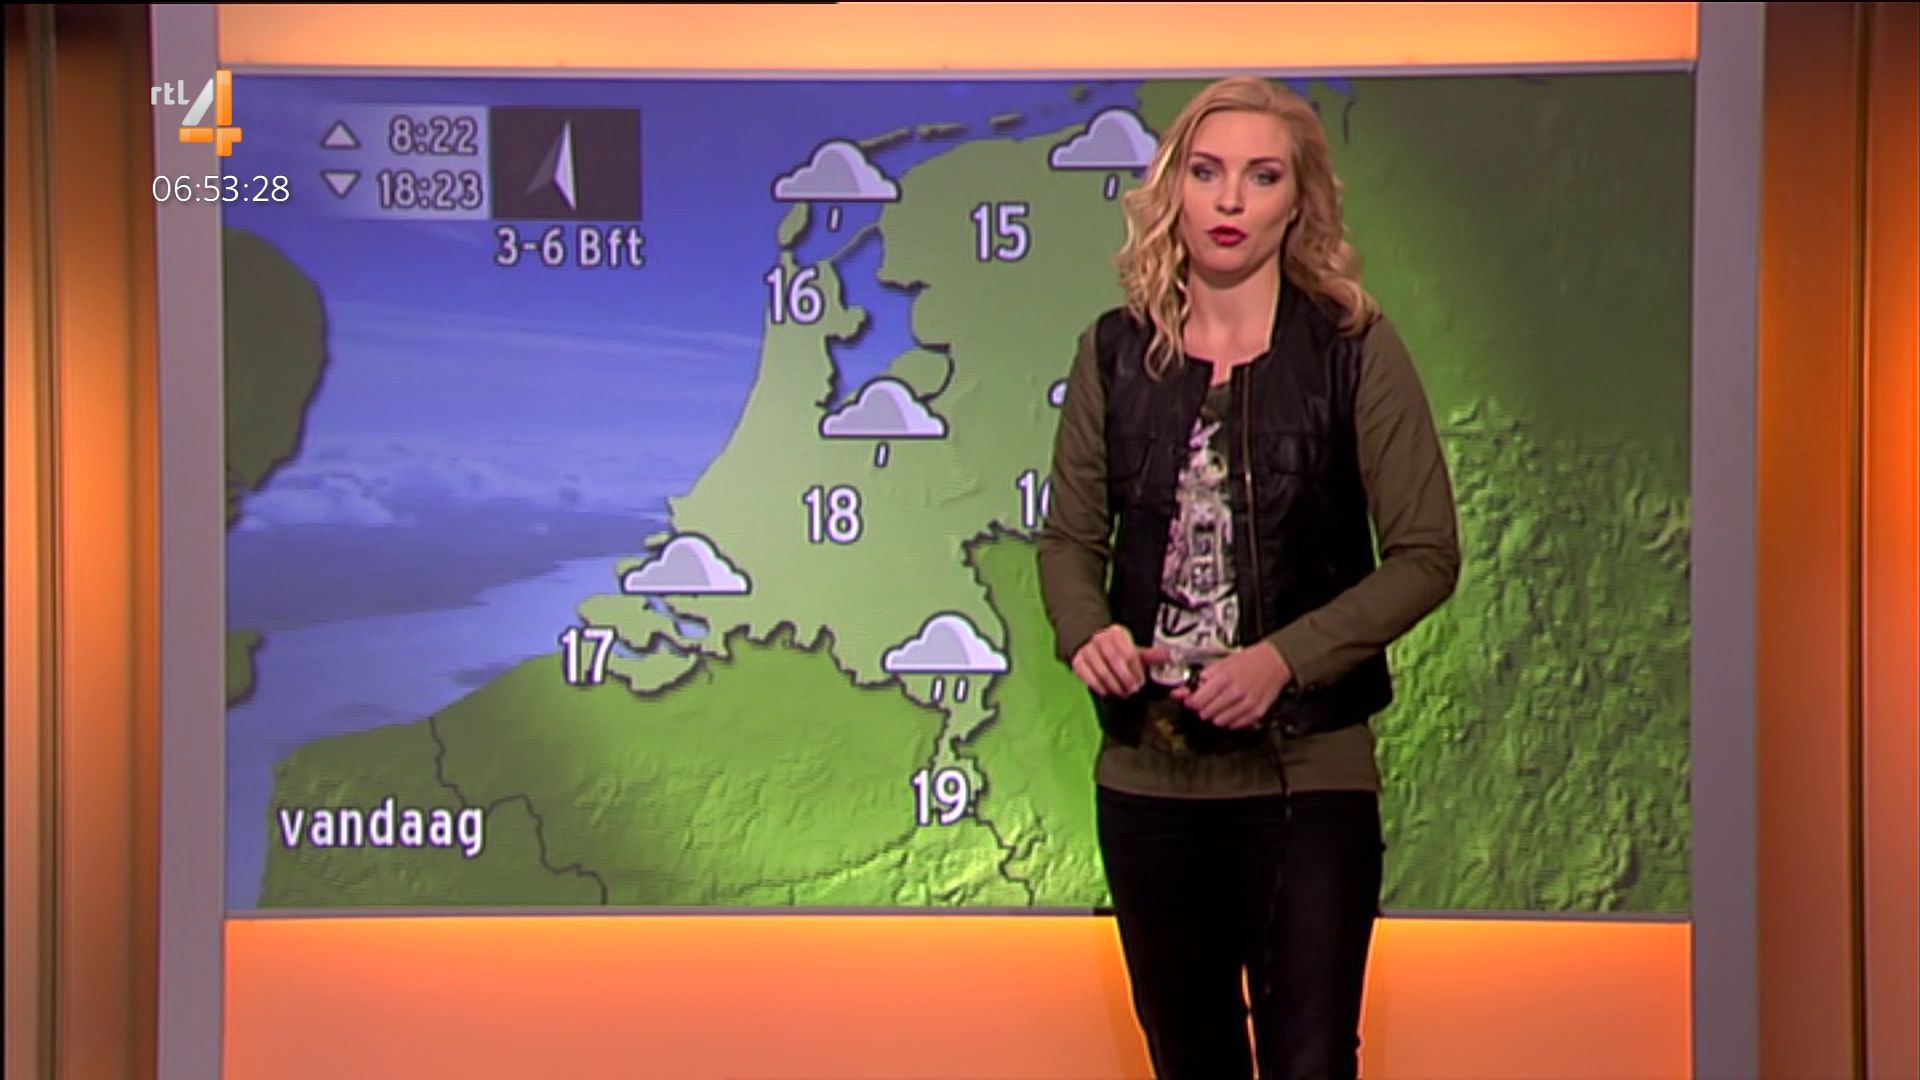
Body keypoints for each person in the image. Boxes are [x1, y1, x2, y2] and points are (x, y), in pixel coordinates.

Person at [1037, 76, 1461, 1080]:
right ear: (1172, 190)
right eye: (1207, 172)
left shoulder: (1354, 349)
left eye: (1261, 177)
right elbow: (1068, 541)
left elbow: (1426, 555)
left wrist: (1282, 661)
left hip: (1304, 781)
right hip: (1148, 782)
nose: (1230, 200)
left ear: (1298, 201)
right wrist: (1087, 631)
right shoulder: (1114, 354)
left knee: (1309, 1061)